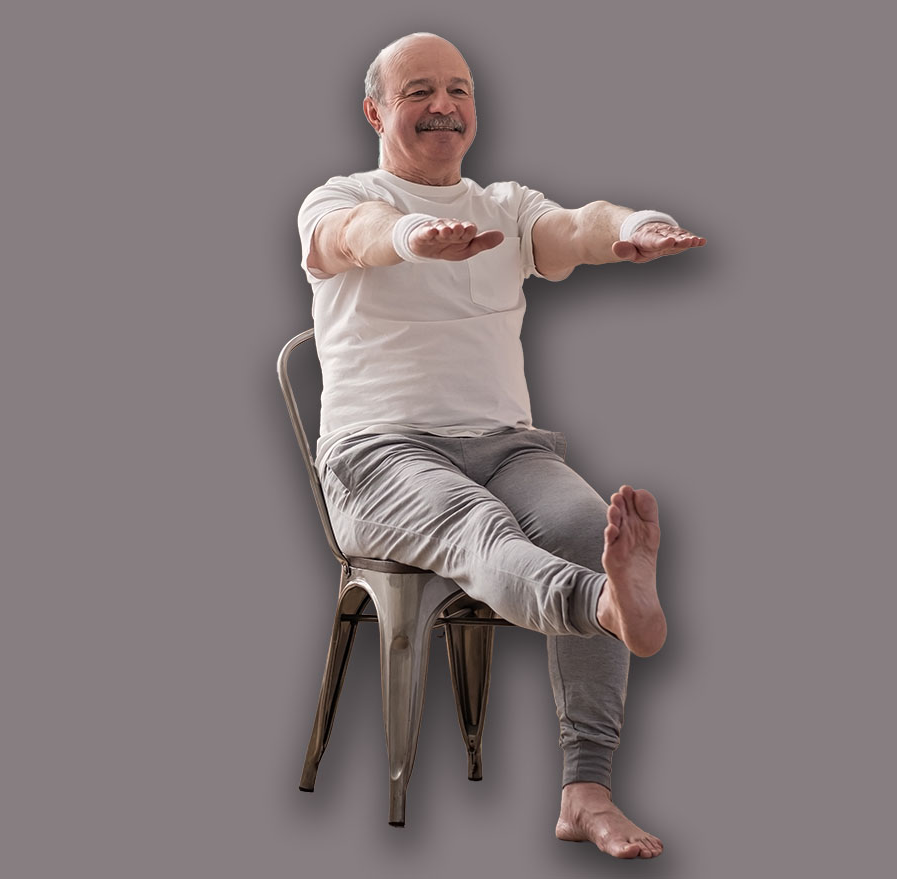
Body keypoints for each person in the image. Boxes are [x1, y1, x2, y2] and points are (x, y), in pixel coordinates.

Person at [297, 32, 704, 859]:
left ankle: (585, 793)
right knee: (480, 533)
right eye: (418, 92)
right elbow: (354, 236)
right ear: (376, 110)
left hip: (507, 446)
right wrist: (413, 238)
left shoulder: (504, 205)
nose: (443, 105)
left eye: (458, 89)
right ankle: (603, 606)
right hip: (378, 455)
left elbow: (572, 227)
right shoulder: (336, 196)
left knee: (590, 527)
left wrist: (634, 226)